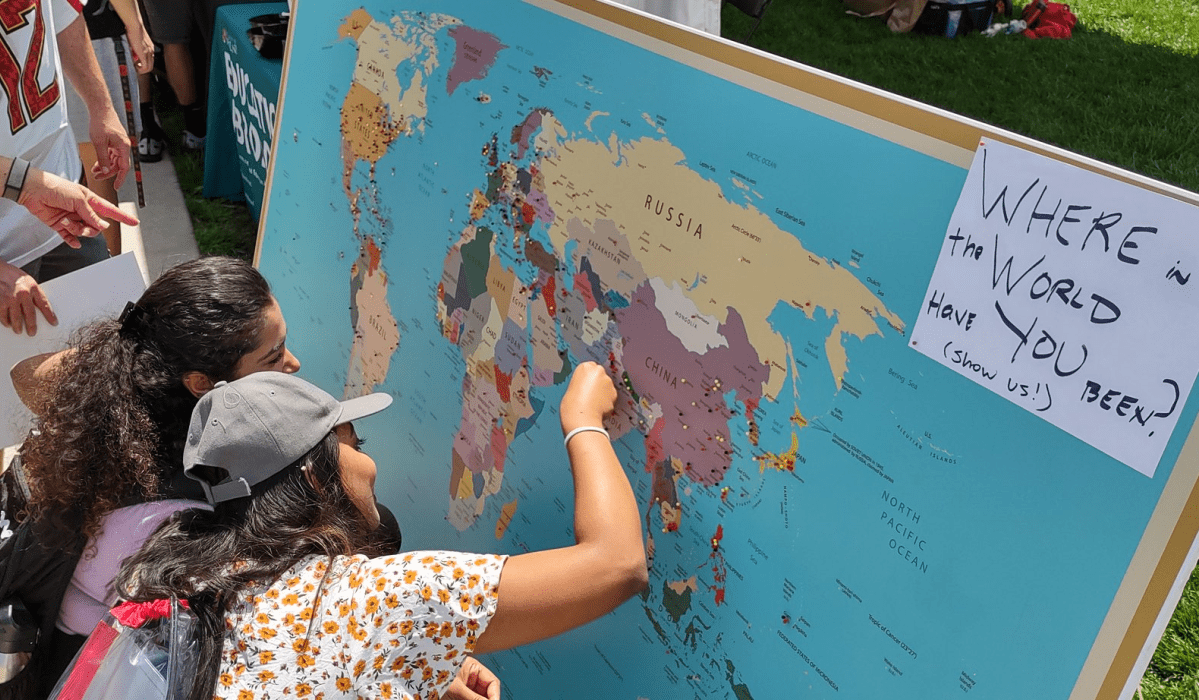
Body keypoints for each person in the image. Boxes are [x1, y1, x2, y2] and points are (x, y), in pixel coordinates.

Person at [10, 256, 500, 699]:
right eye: (272, 359)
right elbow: (268, 630)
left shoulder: (121, 420)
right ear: (202, 384)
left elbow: (27, 373)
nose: (294, 365)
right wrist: (412, 654)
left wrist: (142, 346)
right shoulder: (183, 516)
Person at [115, 366, 647, 699]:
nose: (369, 465)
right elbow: (617, 563)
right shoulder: (372, 600)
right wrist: (583, 419)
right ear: (313, 476)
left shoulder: (177, 579)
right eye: (354, 443)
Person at [0, 0, 133, 336]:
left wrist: (101, 106)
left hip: (60, 195)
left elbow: (61, 12)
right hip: (14, 241)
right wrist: (25, 184)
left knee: (111, 355)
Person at [0, 154, 138, 336]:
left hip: (61, 214)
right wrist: (26, 185)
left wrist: (32, 187)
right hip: (8, 261)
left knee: (115, 334)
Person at [64, 0, 156, 255]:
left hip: (33, 42)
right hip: (84, 39)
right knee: (97, 174)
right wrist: (136, 28)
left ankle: (106, 279)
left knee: (86, 172)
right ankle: (109, 282)